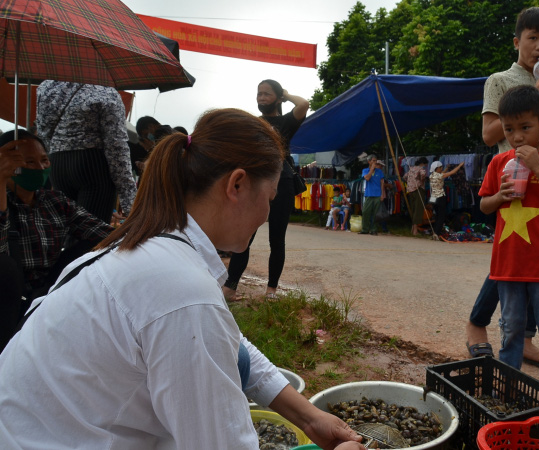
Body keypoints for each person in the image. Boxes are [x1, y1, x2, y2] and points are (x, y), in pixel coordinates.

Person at [0, 109, 365, 450]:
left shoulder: (151, 248)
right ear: (237, 185)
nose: (267, 214)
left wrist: (310, 417)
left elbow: (230, 343)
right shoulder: (179, 289)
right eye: (270, 197)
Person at [466, 6, 539, 365]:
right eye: (533, 38)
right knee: (510, 257)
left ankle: (526, 339)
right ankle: (476, 323)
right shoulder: (499, 80)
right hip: (512, 180)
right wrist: (532, 90)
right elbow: (488, 135)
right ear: (518, 41)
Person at [479, 85, 539, 389]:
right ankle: (507, 388)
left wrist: (537, 166)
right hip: (508, 267)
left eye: (525, 127)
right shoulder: (499, 163)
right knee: (510, 328)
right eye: (509, 129)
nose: (517, 136)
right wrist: (500, 196)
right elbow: (484, 206)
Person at [0, 130, 114, 352]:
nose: (41, 168)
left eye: (44, 160)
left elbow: (103, 232)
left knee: (93, 249)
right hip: (8, 293)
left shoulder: (55, 201)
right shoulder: (5, 201)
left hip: (48, 288)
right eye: (30, 162)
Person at [224, 80, 309, 300]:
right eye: (259, 94)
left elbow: (303, 104)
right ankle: (230, 288)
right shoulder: (254, 124)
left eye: (267, 94)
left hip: (283, 183)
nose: (261, 98)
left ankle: (271, 290)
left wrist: (286, 95)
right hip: (257, 184)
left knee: (277, 238)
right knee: (246, 235)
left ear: (277, 98)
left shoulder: (286, 122)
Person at [36, 81, 137, 223]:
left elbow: (43, 131)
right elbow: (116, 145)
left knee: (67, 230)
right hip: (92, 165)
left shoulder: (46, 87)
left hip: (57, 164)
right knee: (92, 235)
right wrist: (130, 202)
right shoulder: (106, 92)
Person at [429, 161, 465, 240]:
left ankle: (434, 232)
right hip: (440, 197)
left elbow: (442, 174)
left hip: (433, 198)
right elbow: (451, 173)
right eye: (441, 168)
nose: (441, 169)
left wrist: (446, 168)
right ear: (437, 168)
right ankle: (437, 234)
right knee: (441, 217)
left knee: (437, 216)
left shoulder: (431, 176)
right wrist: (459, 166)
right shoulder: (440, 176)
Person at [359, 155, 385, 235]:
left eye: (375, 161)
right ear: (369, 162)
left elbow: (382, 183)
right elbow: (367, 178)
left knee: (375, 213)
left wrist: (382, 194)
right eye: (373, 161)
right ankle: (365, 229)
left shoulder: (379, 171)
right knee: (366, 211)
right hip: (368, 194)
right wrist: (372, 170)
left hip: (377, 194)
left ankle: (373, 229)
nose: (375, 162)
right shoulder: (365, 170)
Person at [405, 157, 428, 235]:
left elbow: (405, 176)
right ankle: (415, 229)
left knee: (413, 209)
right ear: (424, 163)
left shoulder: (411, 168)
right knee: (418, 209)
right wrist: (421, 181)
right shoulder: (421, 168)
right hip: (418, 189)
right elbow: (423, 175)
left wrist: (410, 182)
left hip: (410, 190)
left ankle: (413, 228)